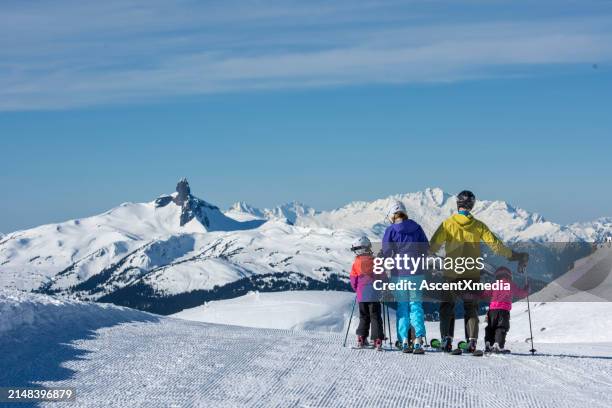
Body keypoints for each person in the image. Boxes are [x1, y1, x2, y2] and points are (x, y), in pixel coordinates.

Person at [429, 190, 529, 354]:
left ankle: (446, 340)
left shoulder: (447, 224)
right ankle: (472, 342)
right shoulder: (478, 226)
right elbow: (496, 246)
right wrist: (514, 256)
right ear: (472, 205)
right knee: (471, 307)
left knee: (447, 306)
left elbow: (432, 246)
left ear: (457, 204)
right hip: (471, 273)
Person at [381, 201, 429, 354]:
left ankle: (404, 340)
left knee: (403, 307)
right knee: (416, 306)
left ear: (392, 216)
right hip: (417, 272)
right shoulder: (417, 227)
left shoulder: (391, 230)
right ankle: (418, 339)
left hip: (399, 274)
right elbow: (425, 247)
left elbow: (387, 251)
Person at [483, 267, 529, 353]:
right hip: (503, 310)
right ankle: (498, 345)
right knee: (502, 327)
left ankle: (488, 344)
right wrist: (526, 289)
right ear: (509, 275)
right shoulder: (511, 285)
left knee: (491, 327)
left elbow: (485, 293)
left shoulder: (494, 284)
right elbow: (521, 294)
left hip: (492, 310)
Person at [350, 236, 384, 350]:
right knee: (375, 316)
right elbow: (382, 276)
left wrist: (357, 289)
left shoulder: (356, 263)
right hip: (374, 293)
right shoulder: (375, 261)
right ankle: (377, 340)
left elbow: (353, 279)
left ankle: (361, 338)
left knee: (363, 316)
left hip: (361, 293)